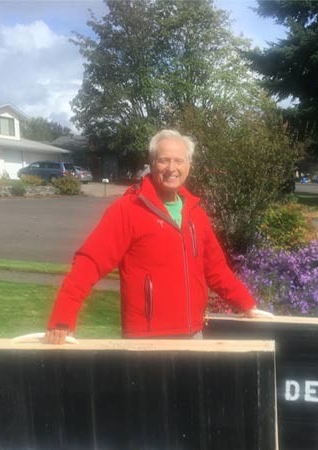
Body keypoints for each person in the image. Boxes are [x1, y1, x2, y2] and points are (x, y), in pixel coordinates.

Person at [44, 129, 269, 344]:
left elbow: (216, 269)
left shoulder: (195, 214)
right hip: (147, 339)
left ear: (189, 166)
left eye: (179, 160)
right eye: (164, 160)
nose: (172, 168)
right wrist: (63, 316)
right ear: (151, 164)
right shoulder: (127, 210)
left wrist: (247, 304)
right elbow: (90, 262)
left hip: (193, 336)